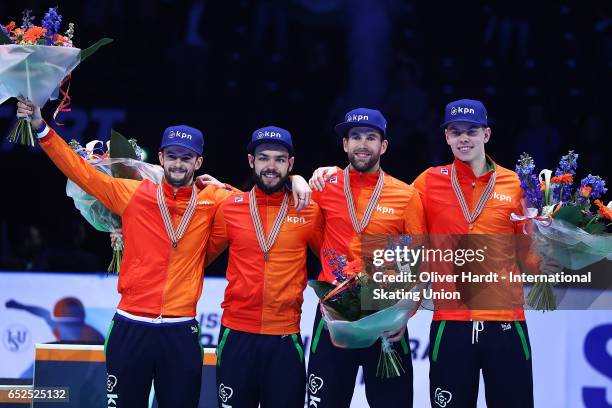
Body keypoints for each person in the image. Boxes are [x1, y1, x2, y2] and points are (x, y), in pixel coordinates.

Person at [16, 100, 311, 408]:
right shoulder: (131, 195)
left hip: (180, 332)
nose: (178, 164)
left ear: (198, 162)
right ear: (160, 158)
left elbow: (256, 201)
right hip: (130, 326)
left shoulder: (213, 200)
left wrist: (293, 180)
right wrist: (41, 128)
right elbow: (81, 173)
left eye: (186, 158)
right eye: (172, 156)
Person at [412, 99, 552, 408]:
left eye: (471, 131)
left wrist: (556, 242)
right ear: (446, 137)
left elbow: (529, 258)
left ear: (486, 135)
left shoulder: (516, 185)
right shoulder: (427, 183)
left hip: (505, 323)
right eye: (455, 131)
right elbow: (394, 216)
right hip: (450, 324)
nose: (463, 138)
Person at [307, 108, 427, 407]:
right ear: (345, 144)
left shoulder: (405, 195)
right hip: (333, 318)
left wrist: (405, 315)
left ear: (383, 146)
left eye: (371, 137)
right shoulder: (324, 187)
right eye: (355, 137)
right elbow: (313, 238)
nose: (363, 144)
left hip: (385, 321)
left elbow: (418, 260)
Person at [205, 126, 323, 407]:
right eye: (264, 158)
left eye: (280, 159)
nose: (271, 166)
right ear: (251, 161)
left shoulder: (308, 209)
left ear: (290, 164)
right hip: (236, 336)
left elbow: (335, 259)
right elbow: (195, 254)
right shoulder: (229, 207)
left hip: (284, 338)